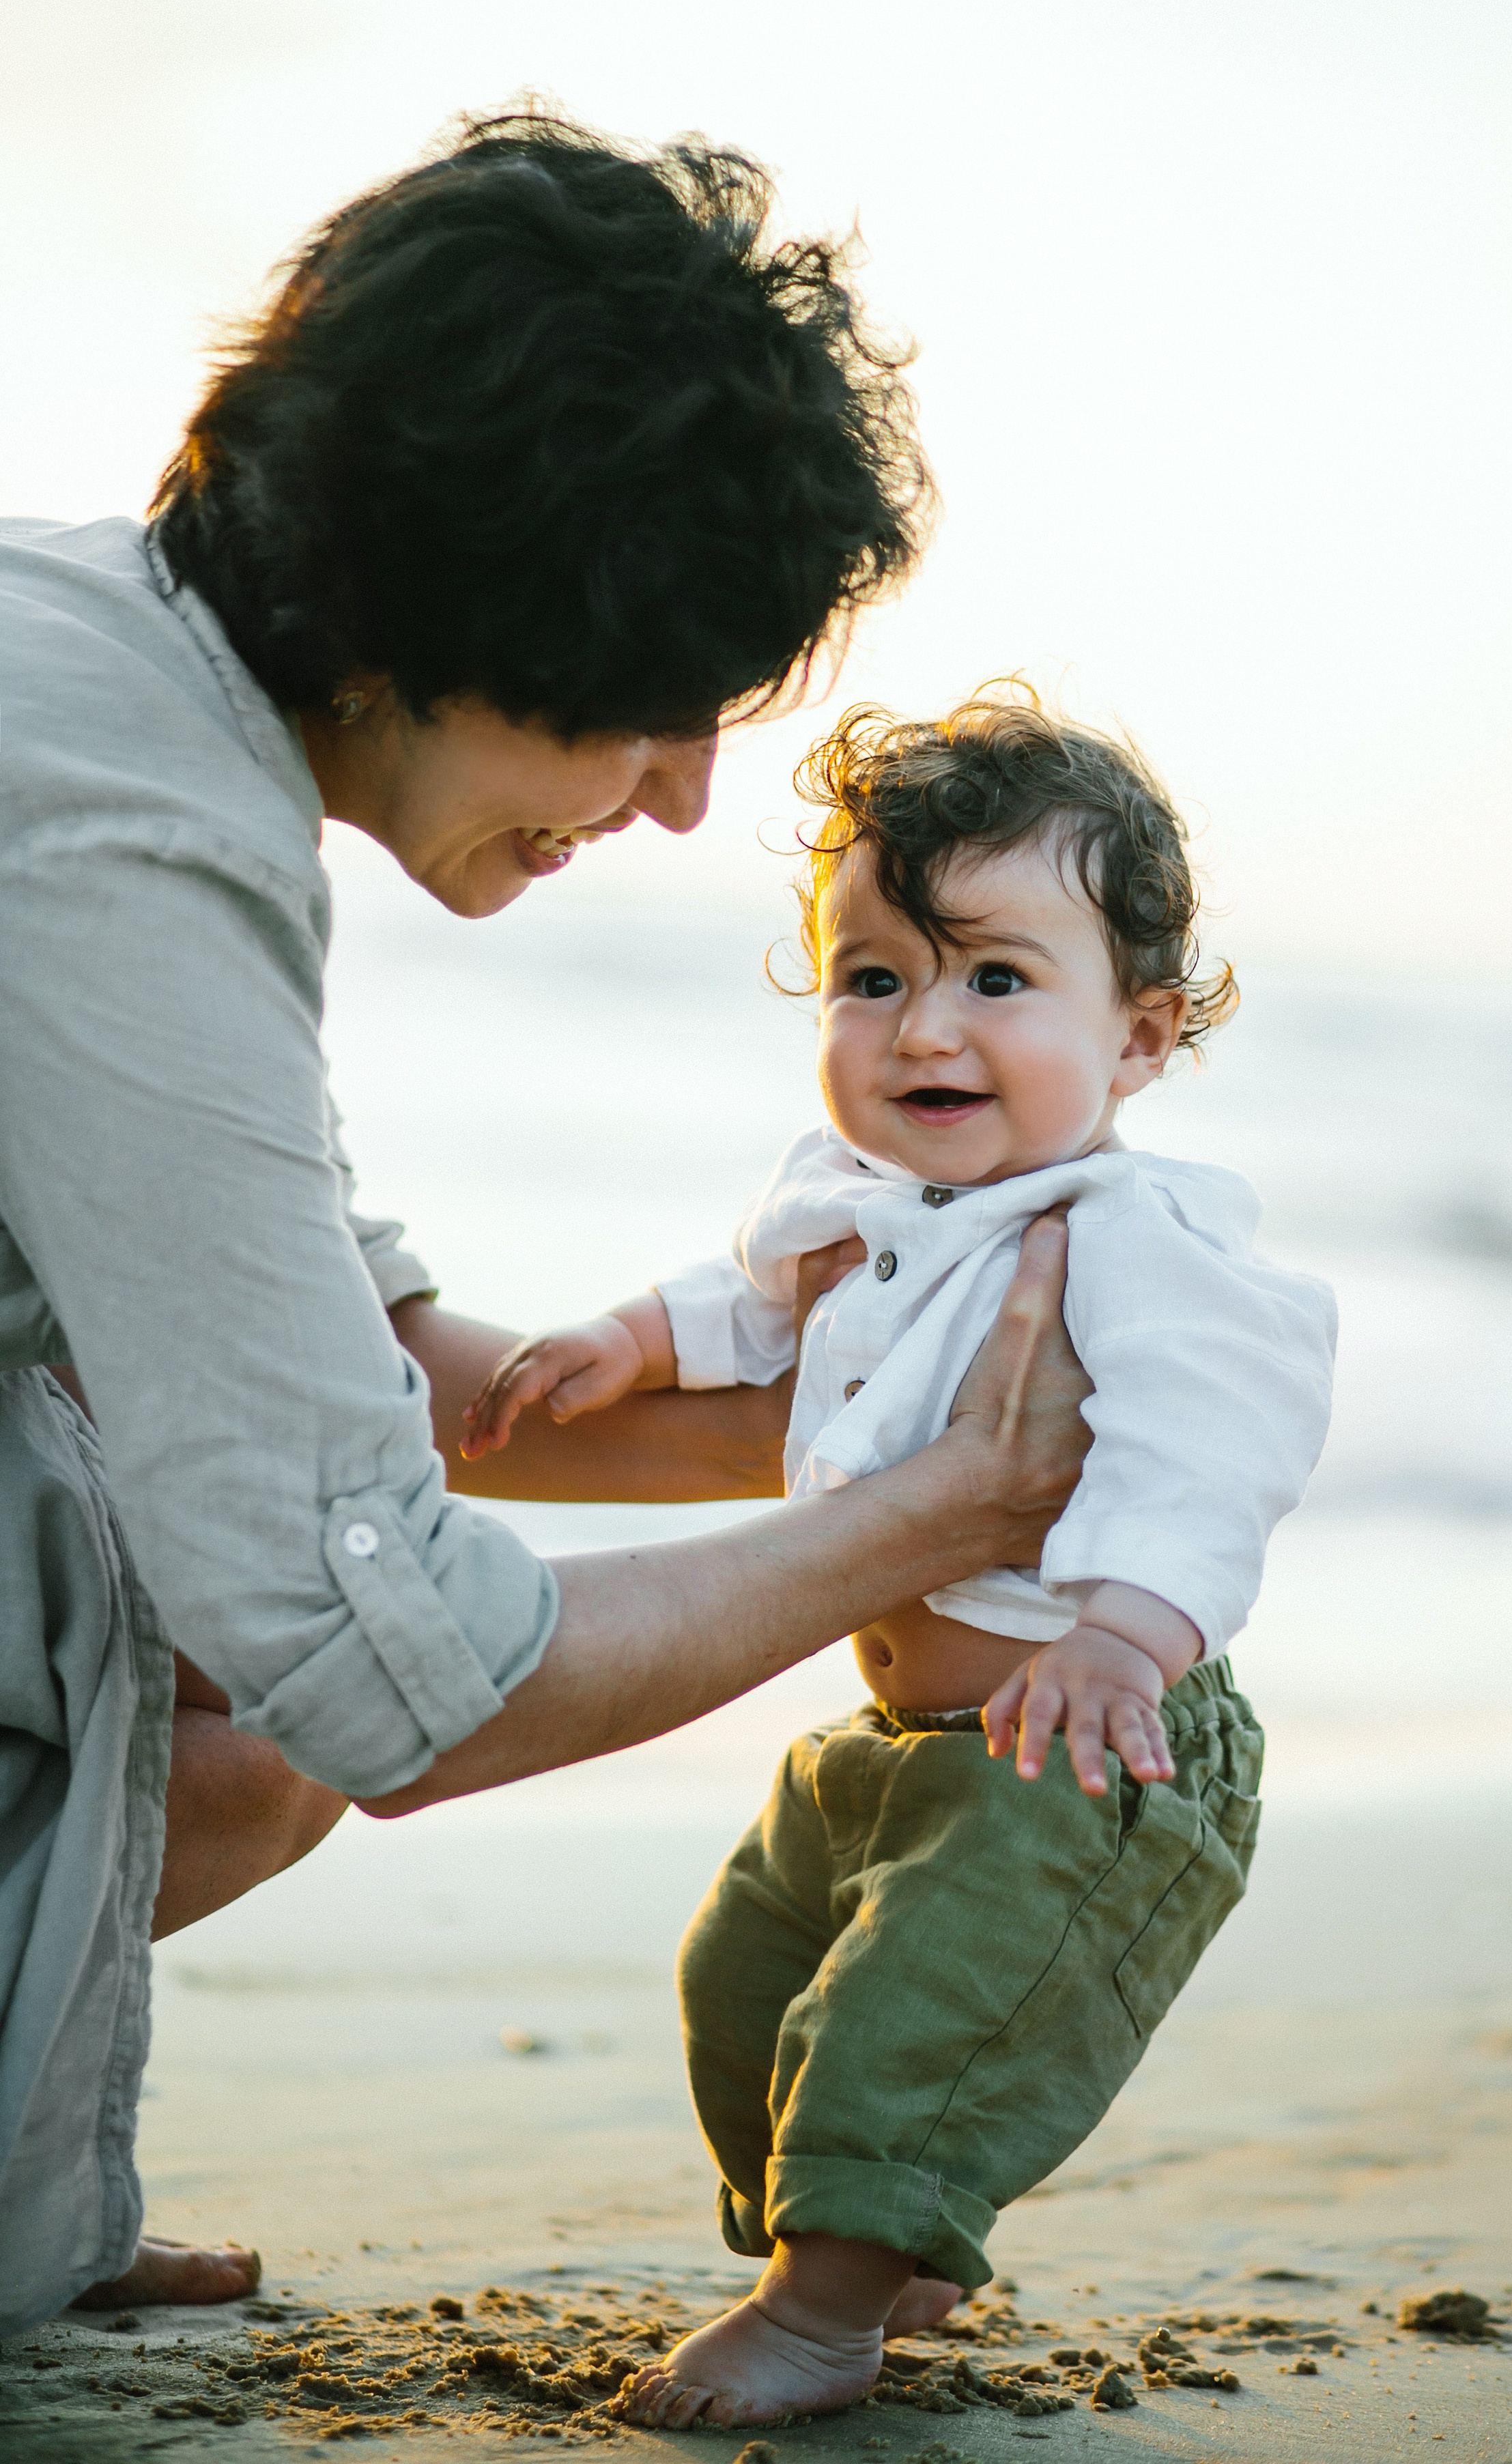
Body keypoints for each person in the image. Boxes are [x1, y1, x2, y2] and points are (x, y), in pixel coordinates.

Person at [0, 115, 1094, 2336]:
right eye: (648, 704)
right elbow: (411, 1677)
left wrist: (933, 1408)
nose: (689, 794)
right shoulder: (118, 834)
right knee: (263, 1683)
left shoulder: (108, 669)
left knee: (219, 1702)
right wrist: (947, 1512)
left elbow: (384, 1393)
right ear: (449, 614)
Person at [461, 687, 1338, 2426]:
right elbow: (753, 1305)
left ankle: (826, 2310)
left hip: (1075, 1747)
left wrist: (1121, 1633)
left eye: (996, 979)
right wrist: (627, 1340)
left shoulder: (1131, 1231)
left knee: (911, 2019)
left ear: (1140, 1035)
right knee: (746, 1977)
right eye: (873, 976)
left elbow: (1215, 1437)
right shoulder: (853, 1200)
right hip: (891, 1746)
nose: (923, 1026)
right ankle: (892, 2246)